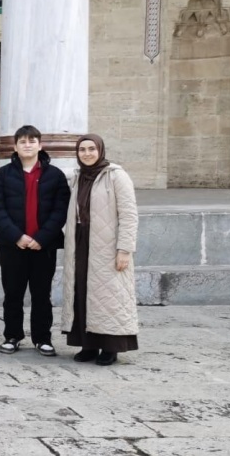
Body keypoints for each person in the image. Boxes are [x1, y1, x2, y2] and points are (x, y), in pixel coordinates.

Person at [0, 125, 70, 357]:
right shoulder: (4, 174)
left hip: (43, 246)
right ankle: (12, 336)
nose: (27, 144)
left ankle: (42, 338)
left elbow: (60, 209)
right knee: (12, 293)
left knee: (41, 294)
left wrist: (41, 238)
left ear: (39, 145)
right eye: (22, 141)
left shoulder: (54, 175)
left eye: (32, 140)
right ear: (15, 146)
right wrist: (17, 236)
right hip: (12, 245)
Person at [62, 134, 139, 366]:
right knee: (83, 293)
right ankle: (89, 344)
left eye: (91, 149)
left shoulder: (116, 176)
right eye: (82, 149)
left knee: (110, 295)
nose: (86, 153)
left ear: (100, 150)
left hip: (107, 244)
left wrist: (124, 249)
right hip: (81, 242)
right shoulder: (77, 177)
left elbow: (129, 214)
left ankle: (110, 347)